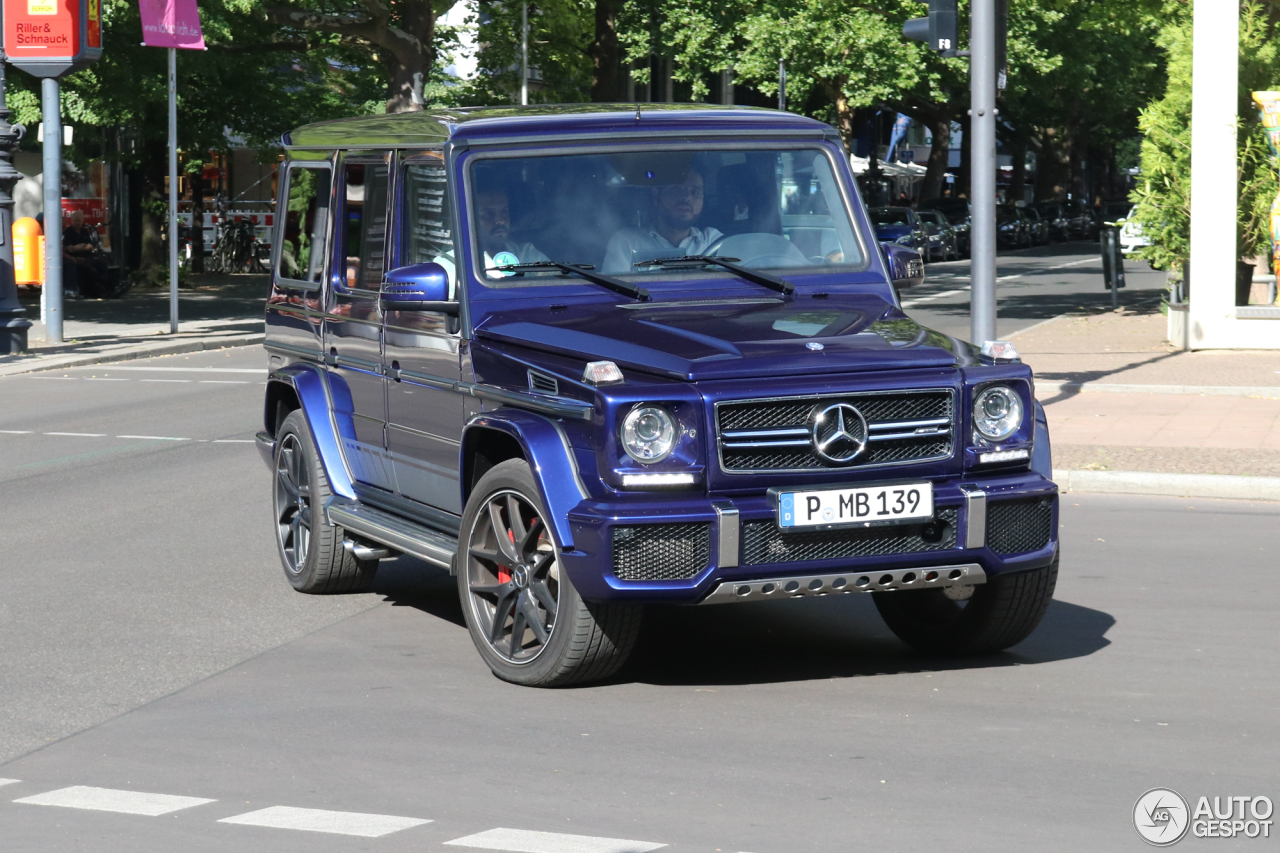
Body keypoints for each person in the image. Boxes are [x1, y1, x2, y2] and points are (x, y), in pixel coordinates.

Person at [602, 168, 723, 273]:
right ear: (656, 196)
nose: (687, 197)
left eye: (695, 192)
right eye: (677, 189)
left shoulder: (714, 242)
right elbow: (617, 294)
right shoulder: (627, 242)